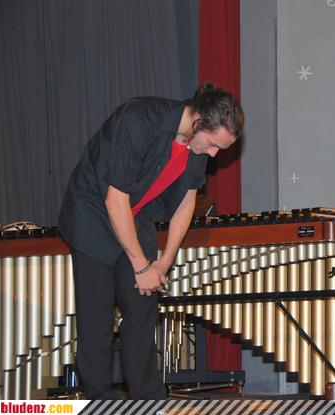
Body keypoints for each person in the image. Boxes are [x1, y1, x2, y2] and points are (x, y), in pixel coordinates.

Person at [59, 84, 244, 399]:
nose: (214, 154)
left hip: (135, 215)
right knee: (97, 321)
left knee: (141, 312)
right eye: (214, 144)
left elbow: (185, 202)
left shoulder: (196, 146)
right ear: (197, 122)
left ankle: (149, 401)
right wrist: (141, 265)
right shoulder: (138, 120)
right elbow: (115, 199)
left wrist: (163, 262)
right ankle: (99, 403)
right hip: (93, 215)